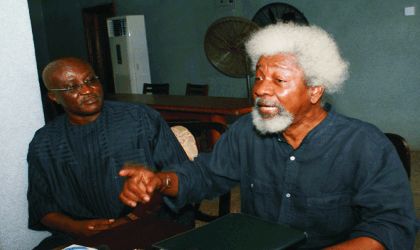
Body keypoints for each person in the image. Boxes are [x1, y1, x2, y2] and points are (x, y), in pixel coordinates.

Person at [119, 23, 420, 250]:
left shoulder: (365, 145)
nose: (261, 89)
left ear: (315, 90)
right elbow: (205, 174)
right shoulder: (246, 133)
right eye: (260, 77)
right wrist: (162, 181)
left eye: (278, 80)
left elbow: (392, 225)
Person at [27, 57, 194, 249]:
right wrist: (76, 228)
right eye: (72, 87)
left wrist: (130, 220)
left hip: (152, 221)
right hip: (82, 233)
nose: (88, 90)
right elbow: (42, 206)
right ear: (54, 98)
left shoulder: (139, 117)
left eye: (90, 80)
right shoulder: (44, 141)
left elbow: (180, 177)